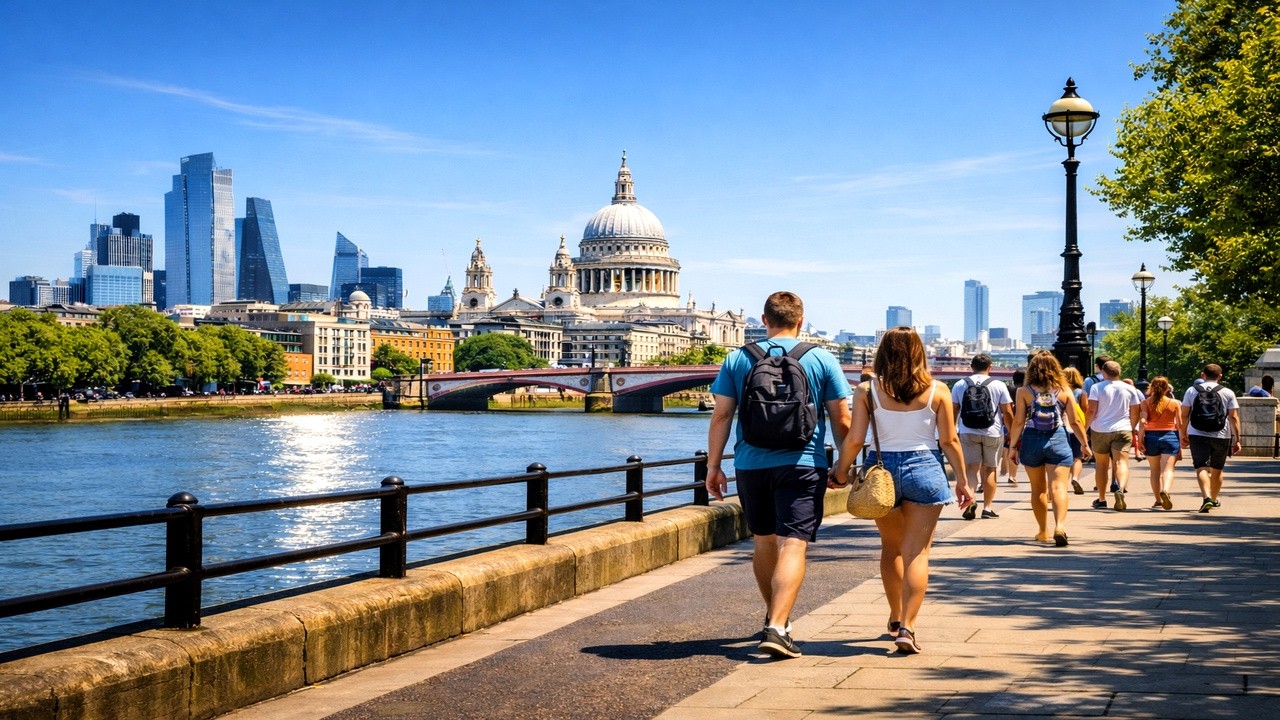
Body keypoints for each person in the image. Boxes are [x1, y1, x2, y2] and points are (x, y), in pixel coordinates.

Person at [705, 291, 852, 659]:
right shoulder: (821, 358)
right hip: (803, 463)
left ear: (763, 320)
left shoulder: (738, 358)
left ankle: (775, 618)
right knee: (793, 544)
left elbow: (721, 416)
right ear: (800, 320)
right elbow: (841, 418)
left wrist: (713, 465)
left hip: (751, 464)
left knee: (764, 541)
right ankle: (777, 625)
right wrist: (844, 465)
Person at [832, 327, 973, 655]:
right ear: (919, 353)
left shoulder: (867, 391)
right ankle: (908, 627)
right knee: (917, 553)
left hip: (880, 471)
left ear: (883, 353)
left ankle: (895, 616)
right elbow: (949, 440)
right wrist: (963, 481)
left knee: (891, 548)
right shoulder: (938, 390)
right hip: (925, 469)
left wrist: (840, 472)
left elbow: (855, 439)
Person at [1007, 351, 1091, 547]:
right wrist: (1085, 444)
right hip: (1058, 438)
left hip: (1031, 440)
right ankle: (1059, 527)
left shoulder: (1023, 391)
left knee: (1038, 490)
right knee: (1059, 487)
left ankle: (1043, 530)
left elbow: (1018, 421)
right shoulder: (1065, 390)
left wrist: (1012, 447)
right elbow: (1075, 421)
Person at [952, 353, 1013, 520]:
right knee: (990, 469)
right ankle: (987, 508)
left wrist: (952, 430)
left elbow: (954, 410)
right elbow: (1007, 411)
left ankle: (970, 501)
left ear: (971, 367)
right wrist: (1012, 432)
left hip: (967, 431)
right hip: (993, 432)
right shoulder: (999, 385)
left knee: (971, 469)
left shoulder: (960, 384)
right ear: (990, 367)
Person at [1180, 364, 1241, 513]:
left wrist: (1183, 434)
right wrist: (1237, 439)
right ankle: (1213, 499)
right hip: (1221, 434)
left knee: (1201, 467)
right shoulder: (1228, 392)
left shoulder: (1191, 390)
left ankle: (1206, 497)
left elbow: (1184, 414)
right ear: (1220, 376)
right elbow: (1233, 417)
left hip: (1197, 433)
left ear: (1203, 375)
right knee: (1217, 469)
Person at [1085, 361, 1141, 511]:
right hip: (1123, 429)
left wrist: (1085, 429)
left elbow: (1091, 411)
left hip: (1100, 430)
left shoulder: (1096, 387)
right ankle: (1120, 489)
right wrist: (1132, 426)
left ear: (1103, 372)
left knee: (1101, 465)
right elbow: (1135, 411)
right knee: (1121, 463)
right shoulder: (1130, 388)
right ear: (1119, 372)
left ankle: (1102, 499)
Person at [1136, 376, 1181, 509]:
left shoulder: (1145, 402)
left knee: (1154, 470)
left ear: (1151, 387)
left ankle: (1158, 500)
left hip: (1151, 437)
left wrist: (1140, 441)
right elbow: (1180, 424)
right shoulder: (1175, 403)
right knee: (1168, 469)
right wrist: (1182, 440)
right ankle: (1165, 490)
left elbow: (1143, 422)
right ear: (1167, 388)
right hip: (1170, 436)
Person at [1062, 367, 1088, 495]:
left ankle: (1063, 484)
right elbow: (1085, 410)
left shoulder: (1060, 391)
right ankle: (1075, 478)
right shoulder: (1081, 393)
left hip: (1062, 427)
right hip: (1076, 427)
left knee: (1064, 458)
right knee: (1077, 457)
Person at [1001, 369, 1025, 484]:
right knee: (1016, 448)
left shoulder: (1008, 389)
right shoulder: (1025, 390)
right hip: (1021, 422)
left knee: (1009, 447)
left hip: (1007, 421)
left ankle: (1006, 471)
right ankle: (1012, 475)